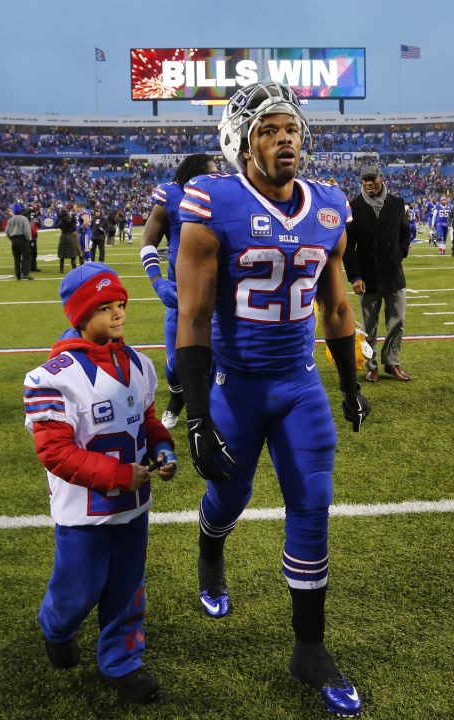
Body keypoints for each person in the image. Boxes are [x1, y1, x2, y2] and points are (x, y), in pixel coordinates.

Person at [175, 80, 369, 718]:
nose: (284, 138)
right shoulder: (213, 203)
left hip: (298, 382)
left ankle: (308, 647)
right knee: (230, 494)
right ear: (241, 142)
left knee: (313, 499)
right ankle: (210, 551)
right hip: (236, 383)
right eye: (268, 130)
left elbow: (337, 305)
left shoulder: (329, 206)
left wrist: (347, 383)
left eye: (290, 128)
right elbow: (195, 318)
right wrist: (198, 414)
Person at [23, 262, 179, 705]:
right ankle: (57, 625)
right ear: (80, 314)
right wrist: (117, 475)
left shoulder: (140, 364)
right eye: (105, 307)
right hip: (83, 511)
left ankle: (122, 662)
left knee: (128, 585)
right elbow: (55, 452)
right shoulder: (51, 377)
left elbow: (147, 421)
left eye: (120, 305)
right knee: (79, 587)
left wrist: (162, 449)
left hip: (132, 505)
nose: (118, 314)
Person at [140, 153, 218, 430]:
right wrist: (157, 281)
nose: (216, 177)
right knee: (176, 364)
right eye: (210, 172)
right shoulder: (171, 194)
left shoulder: (223, 196)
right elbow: (148, 241)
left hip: (217, 293)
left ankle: (210, 412)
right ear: (193, 173)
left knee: (216, 360)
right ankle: (176, 400)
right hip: (181, 292)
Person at [345, 165, 413, 383]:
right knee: (368, 326)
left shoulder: (397, 203)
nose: (369, 183)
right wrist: (355, 276)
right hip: (367, 275)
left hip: (393, 272)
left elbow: (405, 232)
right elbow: (348, 247)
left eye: (372, 179)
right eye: (365, 180)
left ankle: (392, 362)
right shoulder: (353, 206)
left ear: (381, 178)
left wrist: (400, 252)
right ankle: (371, 365)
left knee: (397, 321)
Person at [6, 203, 34, 281]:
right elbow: (27, 231)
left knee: (16, 258)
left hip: (14, 240)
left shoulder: (10, 220)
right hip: (23, 239)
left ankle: (18, 275)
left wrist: (12, 239)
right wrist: (29, 239)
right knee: (27, 257)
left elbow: (7, 232)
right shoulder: (24, 219)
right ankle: (25, 273)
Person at [56, 204, 80, 273]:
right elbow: (74, 228)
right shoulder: (71, 220)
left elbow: (55, 226)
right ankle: (74, 268)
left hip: (63, 237)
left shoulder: (62, 221)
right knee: (73, 254)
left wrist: (58, 218)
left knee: (62, 255)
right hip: (70, 237)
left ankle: (61, 270)